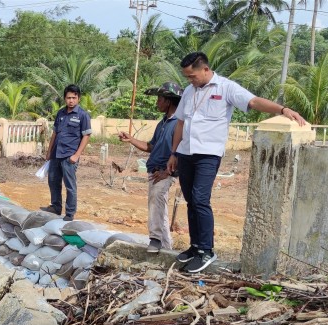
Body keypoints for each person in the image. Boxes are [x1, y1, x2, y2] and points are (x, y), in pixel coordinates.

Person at [167, 52, 307, 273]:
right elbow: (181, 124)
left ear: (205, 69)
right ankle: (194, 247)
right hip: (185, 153)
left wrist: (283, 110)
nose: (190, 81)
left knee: (200, 199)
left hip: (208, 154)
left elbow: (253, 101)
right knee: (190, 200)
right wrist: (173, 153)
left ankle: (207, 250)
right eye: (187, 78)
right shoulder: (189, 91)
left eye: (192, 76)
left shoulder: (226, 88)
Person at [118, 81, 183, 254]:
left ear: (168, 101)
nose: (157, 103)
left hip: (164, 172)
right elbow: (151, 147)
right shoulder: (162, 123)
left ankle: (155, 240)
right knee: (159, 209)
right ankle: (166, 248)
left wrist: (168, 172)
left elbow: (182, 151)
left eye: (159, 99)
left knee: (156, 203)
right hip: (154, 171)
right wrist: (131, 139)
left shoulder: (179, 124)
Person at [42, 85, 92, 221]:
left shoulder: (83, 115)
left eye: (74, 98)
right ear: (64, 98)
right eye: (68, 98)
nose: (71, 100)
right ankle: (56, 207)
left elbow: (86, 136)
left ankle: (70, 213)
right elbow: (55, 133)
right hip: (56, 154)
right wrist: (49, 152)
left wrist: (76, 155)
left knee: (70, 185)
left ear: (78, 98)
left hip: (69, 156)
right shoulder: (61, 113)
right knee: (53, 180)